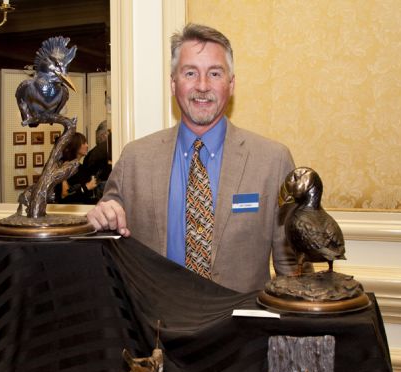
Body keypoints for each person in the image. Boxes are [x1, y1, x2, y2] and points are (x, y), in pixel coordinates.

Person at [86, 24, 300, 293]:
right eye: (190, 73)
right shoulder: (134, 159)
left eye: (214, 73)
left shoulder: (273, 161)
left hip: (240, 330)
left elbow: (292, 267)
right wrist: (97, 222)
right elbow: (108, 236)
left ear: (231, 84)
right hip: (156, 328)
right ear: (173, 83)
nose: (202, 86)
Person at [56, 132, 99, 204]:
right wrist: (86, 187)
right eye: (84, 143)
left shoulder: (82, 168)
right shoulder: (65, 167)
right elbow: (64, 196)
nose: (87, 145)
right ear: (75, 145)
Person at [80, 120, 112, 201]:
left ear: (104, 135)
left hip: (96, 192)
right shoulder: (110, 149)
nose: (97, 138)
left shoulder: (94, 152)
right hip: (103, 192)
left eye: (97, 136)